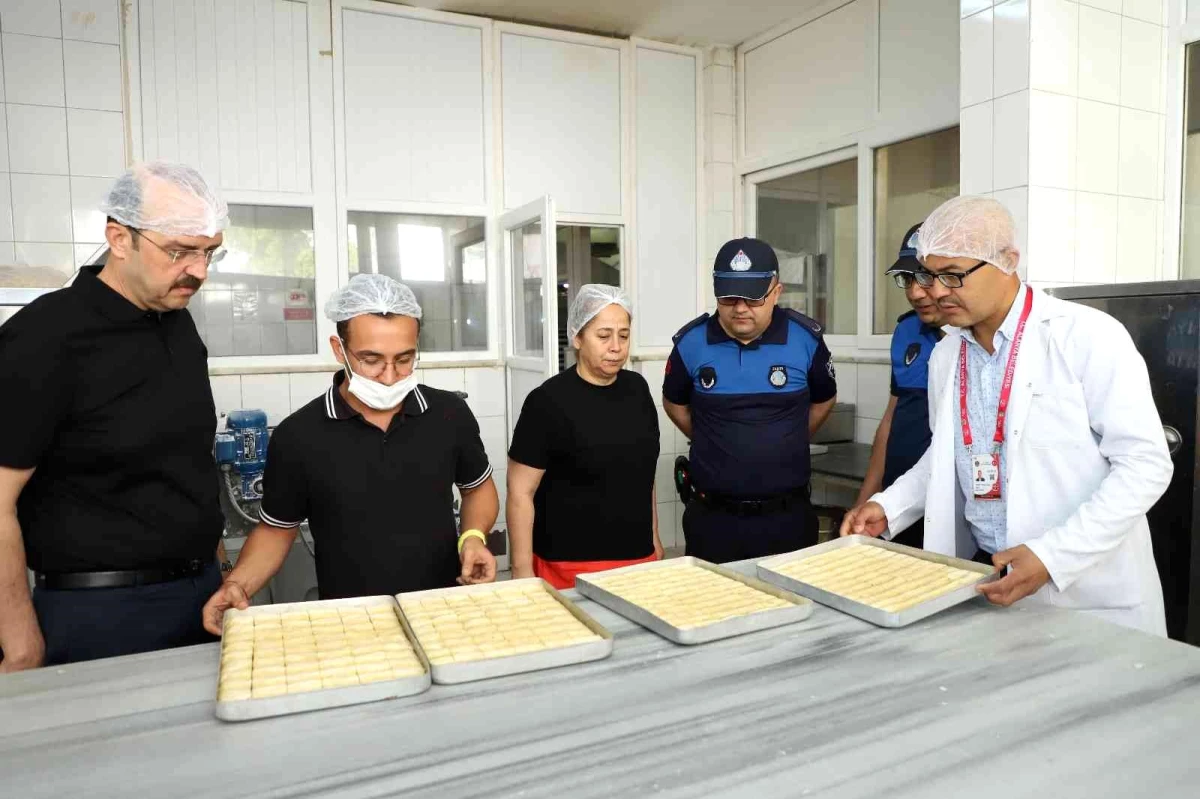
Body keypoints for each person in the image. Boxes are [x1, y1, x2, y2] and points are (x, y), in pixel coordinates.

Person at [840, 196, 1172, 635]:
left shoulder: (1087, 337)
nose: (936, 290)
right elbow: (945, 458)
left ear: (1008, 261)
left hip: (1087, 594)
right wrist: (889, 505)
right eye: (928, 274)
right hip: (989, 578)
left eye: (953, 275)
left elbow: (1145, 466)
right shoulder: (947, 354)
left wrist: (1053, 556)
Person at [0, 162, 229, 669]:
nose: (199, 271)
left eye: (209, 252)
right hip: (98, 612)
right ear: (119, 239)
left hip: (199, 600)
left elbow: (183, 464)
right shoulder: (47, 337)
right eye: (179, 252)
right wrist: (20, 645)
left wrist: (221, 569)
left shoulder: (177, 326)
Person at [201, 274, 498, 633]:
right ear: (339, 350)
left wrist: (473, 538)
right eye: (371, 360)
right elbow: (276, 531)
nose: (390, 377)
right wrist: (238, 585)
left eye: (404, 359)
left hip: (444, 609)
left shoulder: (449, 414)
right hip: (350, 621)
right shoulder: (300, 436)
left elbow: (477, 489)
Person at [663, 237, 837, 563]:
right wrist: (713, 441)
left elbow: (824, 400)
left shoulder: (805, 340)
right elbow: (674, 404)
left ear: (777, 292)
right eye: (729, 297)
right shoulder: (691, 343)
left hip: (787, 519)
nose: (740, 307)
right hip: (712, 520)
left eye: (754, 297)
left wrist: (788, 441)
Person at [506, 285, 662, 589]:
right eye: (603, 336)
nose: (616, 347)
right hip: (567, 566)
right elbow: (519, 492)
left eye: (624, 335)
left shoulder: (637, 390)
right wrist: (521, 571)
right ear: (577, 337)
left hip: (636, 560)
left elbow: (645, 474)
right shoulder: (547, 402)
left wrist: (653, 537)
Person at [853, 223, 945, 549]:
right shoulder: (907, 331)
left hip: (946, 510)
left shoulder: (975, 341)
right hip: (895, 505)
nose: (915, 292)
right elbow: (891, 418)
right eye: (907, 279)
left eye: (924, 277)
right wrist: (868, 498)